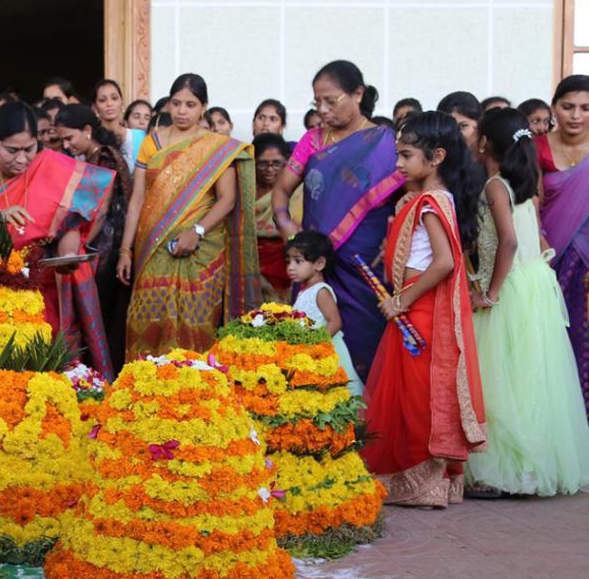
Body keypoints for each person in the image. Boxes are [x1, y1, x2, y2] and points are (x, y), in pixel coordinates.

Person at [360, 111, 486, 508]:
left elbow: (445, 262)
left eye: (406, 155)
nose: (398, 164)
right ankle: (436, 481)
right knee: (413, 392)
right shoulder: (423, 199)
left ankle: (423, 484)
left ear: (436, 157)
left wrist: (403, 300)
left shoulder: (432, 202)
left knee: (417, 395)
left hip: (421, 307)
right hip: (417, 304)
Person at [466, 107, 589, 496]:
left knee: (501, 379)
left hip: (510, 285)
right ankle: (530, 470)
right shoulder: (523, 183)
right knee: (530, 376)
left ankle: (503, 470)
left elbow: (510, 241)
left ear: (484, 142)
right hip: (533, 284)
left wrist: (491, 292)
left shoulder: (496, 187)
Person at [0, 102, 116, 376]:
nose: (23, 159)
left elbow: (70, 219)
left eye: (30, 148)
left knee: (48, 378)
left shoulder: (47, 164)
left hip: (42, 290)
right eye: (12, 150)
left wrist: (69, 251)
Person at [272, 60, 402, 382]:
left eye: (331, 101)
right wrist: (285, 224)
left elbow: (403, 199)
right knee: (314, 339)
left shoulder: (386, 142)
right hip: (318, 264)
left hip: (366, 264)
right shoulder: (312, 141)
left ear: (358, 94)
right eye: (317, 102)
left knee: (366, 341)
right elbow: (281, 190)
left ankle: (367, 419)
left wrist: (393, 240)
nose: (323, 110)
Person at [116, 73, 259, 357]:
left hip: (200, 252)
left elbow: (227, 200)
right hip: (154, 248)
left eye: (190, 104)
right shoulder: (151, 144)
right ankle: (144, 389)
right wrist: (125, 250)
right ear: (168, 105)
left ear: (203, 107)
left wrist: (197, 232)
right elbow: (138, 200)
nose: (182, 111)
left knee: (195, 326)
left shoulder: (216, 148)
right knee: (145, 318)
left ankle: (196, 391)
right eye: (176, 103)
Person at [55, 102, 131, 373]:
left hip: (107, 249)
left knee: (103, 316)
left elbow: (100, 212)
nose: (66, 145)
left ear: (87, 130)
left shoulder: (104, 158)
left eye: (69, 137)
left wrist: (82, 244)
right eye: (61, 139)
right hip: (103, 244)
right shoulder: (97, 155)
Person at [536, 74, 589, 409]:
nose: (576, 115)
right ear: (554, 107)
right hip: (543, 259)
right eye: (567, 106)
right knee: (546, 338)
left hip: (585, 261)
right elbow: (526, 204)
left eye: (585, 108)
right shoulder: (535, 148)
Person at [285, 231, 362, 394]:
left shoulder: (321, 291)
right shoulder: (304, 291)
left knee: (335, 395)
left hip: (325, 353)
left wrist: (314, 345)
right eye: (289, 261)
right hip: (308, 353)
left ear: (319, 264)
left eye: (298, 261)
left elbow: (335, 322)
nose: (290, 267)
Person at [252, 133, 300, 303]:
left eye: (276, 163)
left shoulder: (297, 192)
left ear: (286, 162)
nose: (270, 169)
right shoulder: (243, 189)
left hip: (284, 264)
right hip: (249, 263)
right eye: (263, 164)